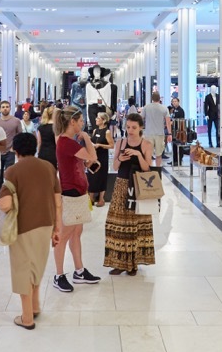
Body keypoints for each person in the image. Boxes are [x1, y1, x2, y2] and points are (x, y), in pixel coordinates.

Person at [0, 133, 61, 329]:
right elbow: (58, 201)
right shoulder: (49, 167)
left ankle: (27, 318)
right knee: (36, 266)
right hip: (47, 223)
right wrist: (57, 228)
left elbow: (6, 204)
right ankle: (35, 306)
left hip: (24, 226)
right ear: (35, 147)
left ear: (16, 151)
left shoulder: (12, 171)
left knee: (23, 269)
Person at [52, 108, 101, 292]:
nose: (82, 123)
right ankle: (58, 275)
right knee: (64, 235)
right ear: (72, 122)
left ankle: (79, 270)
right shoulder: (66, 142)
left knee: (76, 232)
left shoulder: (69, 142)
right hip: (70, 191)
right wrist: (87, 138)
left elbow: (85, 161)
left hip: (78, 190)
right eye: (80, 121)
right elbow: (92, 157)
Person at [104, 113, 156, 276]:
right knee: (118, 223)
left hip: (139, 186)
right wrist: (120, 157)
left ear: (141, 127)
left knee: (136, 224)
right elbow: (115, 166)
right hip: (121, 184)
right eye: (128, 127)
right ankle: (118, 262)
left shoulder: (146, 144)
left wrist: (138, 155)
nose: (130, 130)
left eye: (134, 127)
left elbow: (147, 168)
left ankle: (133, 263)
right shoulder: (120, 142)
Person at [88, 109, 114, 206]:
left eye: (98, 118)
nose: (96, 119)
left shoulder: (107, 132)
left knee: (101, 176)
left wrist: (100, 145)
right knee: (92, 175)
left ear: (103, 120)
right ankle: (91, 198)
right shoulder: (95, 130)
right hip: (94, 156)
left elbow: (112, 145)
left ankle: (101, 199)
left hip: (102, 157)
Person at [141, 91, 171, 164]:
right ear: (159, 98)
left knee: (148, 154)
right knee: (159, 155)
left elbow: (141, 118)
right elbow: (168, 122)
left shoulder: (146, 107)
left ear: (152, 98)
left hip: (148, 133)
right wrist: (169, 134)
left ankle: (149, 169)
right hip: (159, 134)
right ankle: (158, 169)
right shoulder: (164, 108)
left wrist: (140, 130)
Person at [0, 101, 24, 174]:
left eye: (7, 107)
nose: (5, 109)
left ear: (10, 108)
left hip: (10, 151)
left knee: (9, 175)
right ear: (0, 109)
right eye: (3, 107)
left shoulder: (16, 121)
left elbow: (20, 136)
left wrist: (14, 147)